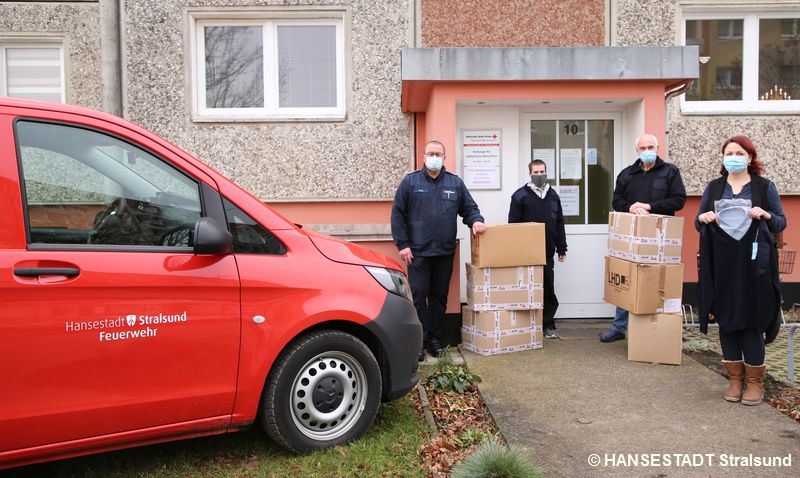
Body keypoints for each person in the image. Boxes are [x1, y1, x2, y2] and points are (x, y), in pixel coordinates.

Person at [697, 135, 786, 406]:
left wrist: (766, 215)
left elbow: (781, 222)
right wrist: (702, 218)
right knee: (726, 318)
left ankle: (755, 382)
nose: (733, 157)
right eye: (729, 153)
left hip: (755, 267)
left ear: (749, 158)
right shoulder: (714, 187)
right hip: (723, 264)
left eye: (739, 153)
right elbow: (699, 223)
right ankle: (735, 380)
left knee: (752, 318)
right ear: (723, 158)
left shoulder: (764, 187)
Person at [391, 140, 486, 361]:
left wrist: (476, 221)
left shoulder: (455, 183)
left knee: (439, 297)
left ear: (444, 158)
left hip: (444, 252)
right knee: (418, 295)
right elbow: (397, 214)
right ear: (424, 156)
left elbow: (469, 209)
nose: (434, 157)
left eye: (438, 154)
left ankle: (434, 340)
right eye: (430, 153)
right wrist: (402, 244)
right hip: (418, 252)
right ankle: (418, 342)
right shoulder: (410, 182)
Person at [600, 133, 687, 342]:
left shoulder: (670, 172)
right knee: (627, 279)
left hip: (660, 240)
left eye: (650, 147)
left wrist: (649, 206)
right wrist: (631, 207)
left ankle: (657, 330)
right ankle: (619, 328)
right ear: (637, 151)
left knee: (657, 283)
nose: (647, 151)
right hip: (631, 238)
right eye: (643, 148)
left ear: (658, 149)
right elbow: (616, 201)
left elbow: (678, 200)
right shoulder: (627, 174)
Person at [508, 159, 567, 339]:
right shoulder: (520, 196)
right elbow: (513, 225)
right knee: (527, 288)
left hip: (547, 251)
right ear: (530, 174)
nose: (539, 175)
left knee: (548, 288)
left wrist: (562, 248)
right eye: (536, 172)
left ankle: (548, 325)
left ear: (546, 172)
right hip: (527, 253)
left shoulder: (553, 195)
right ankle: (526, 325)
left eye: (542, 172)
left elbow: (559, 222)